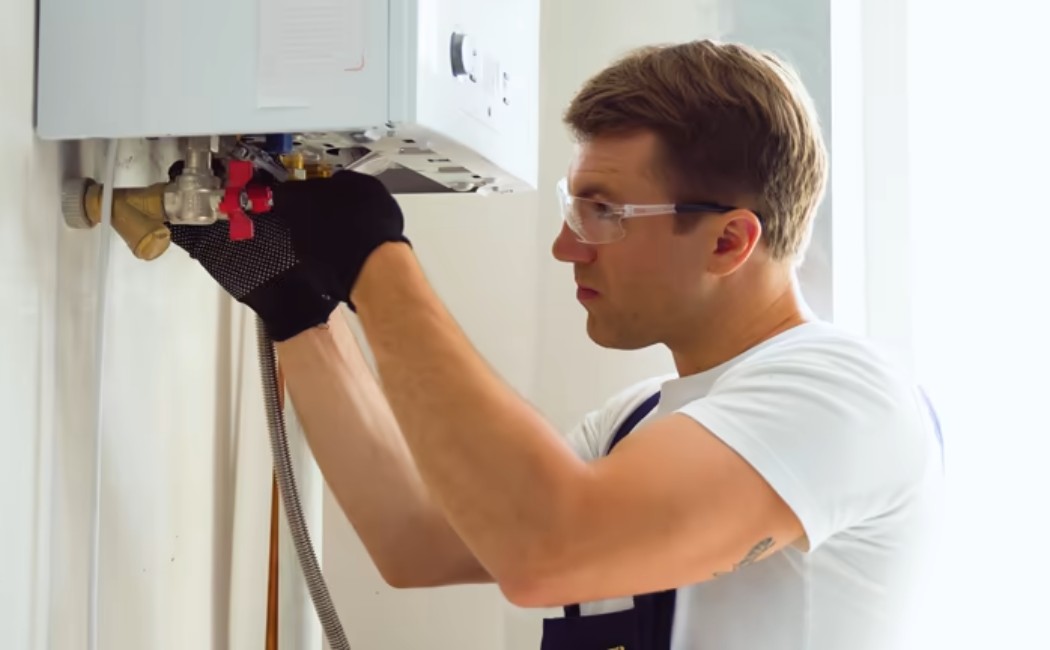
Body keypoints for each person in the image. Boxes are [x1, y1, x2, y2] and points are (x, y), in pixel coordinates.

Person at [169, 39, 943, 650]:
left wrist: (377, 261)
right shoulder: (638, 422)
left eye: (603, 213)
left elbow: (549, 551)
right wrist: (300, 312)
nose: (566, 249)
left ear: (729, 241)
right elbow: (417, 542)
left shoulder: (846, 394)